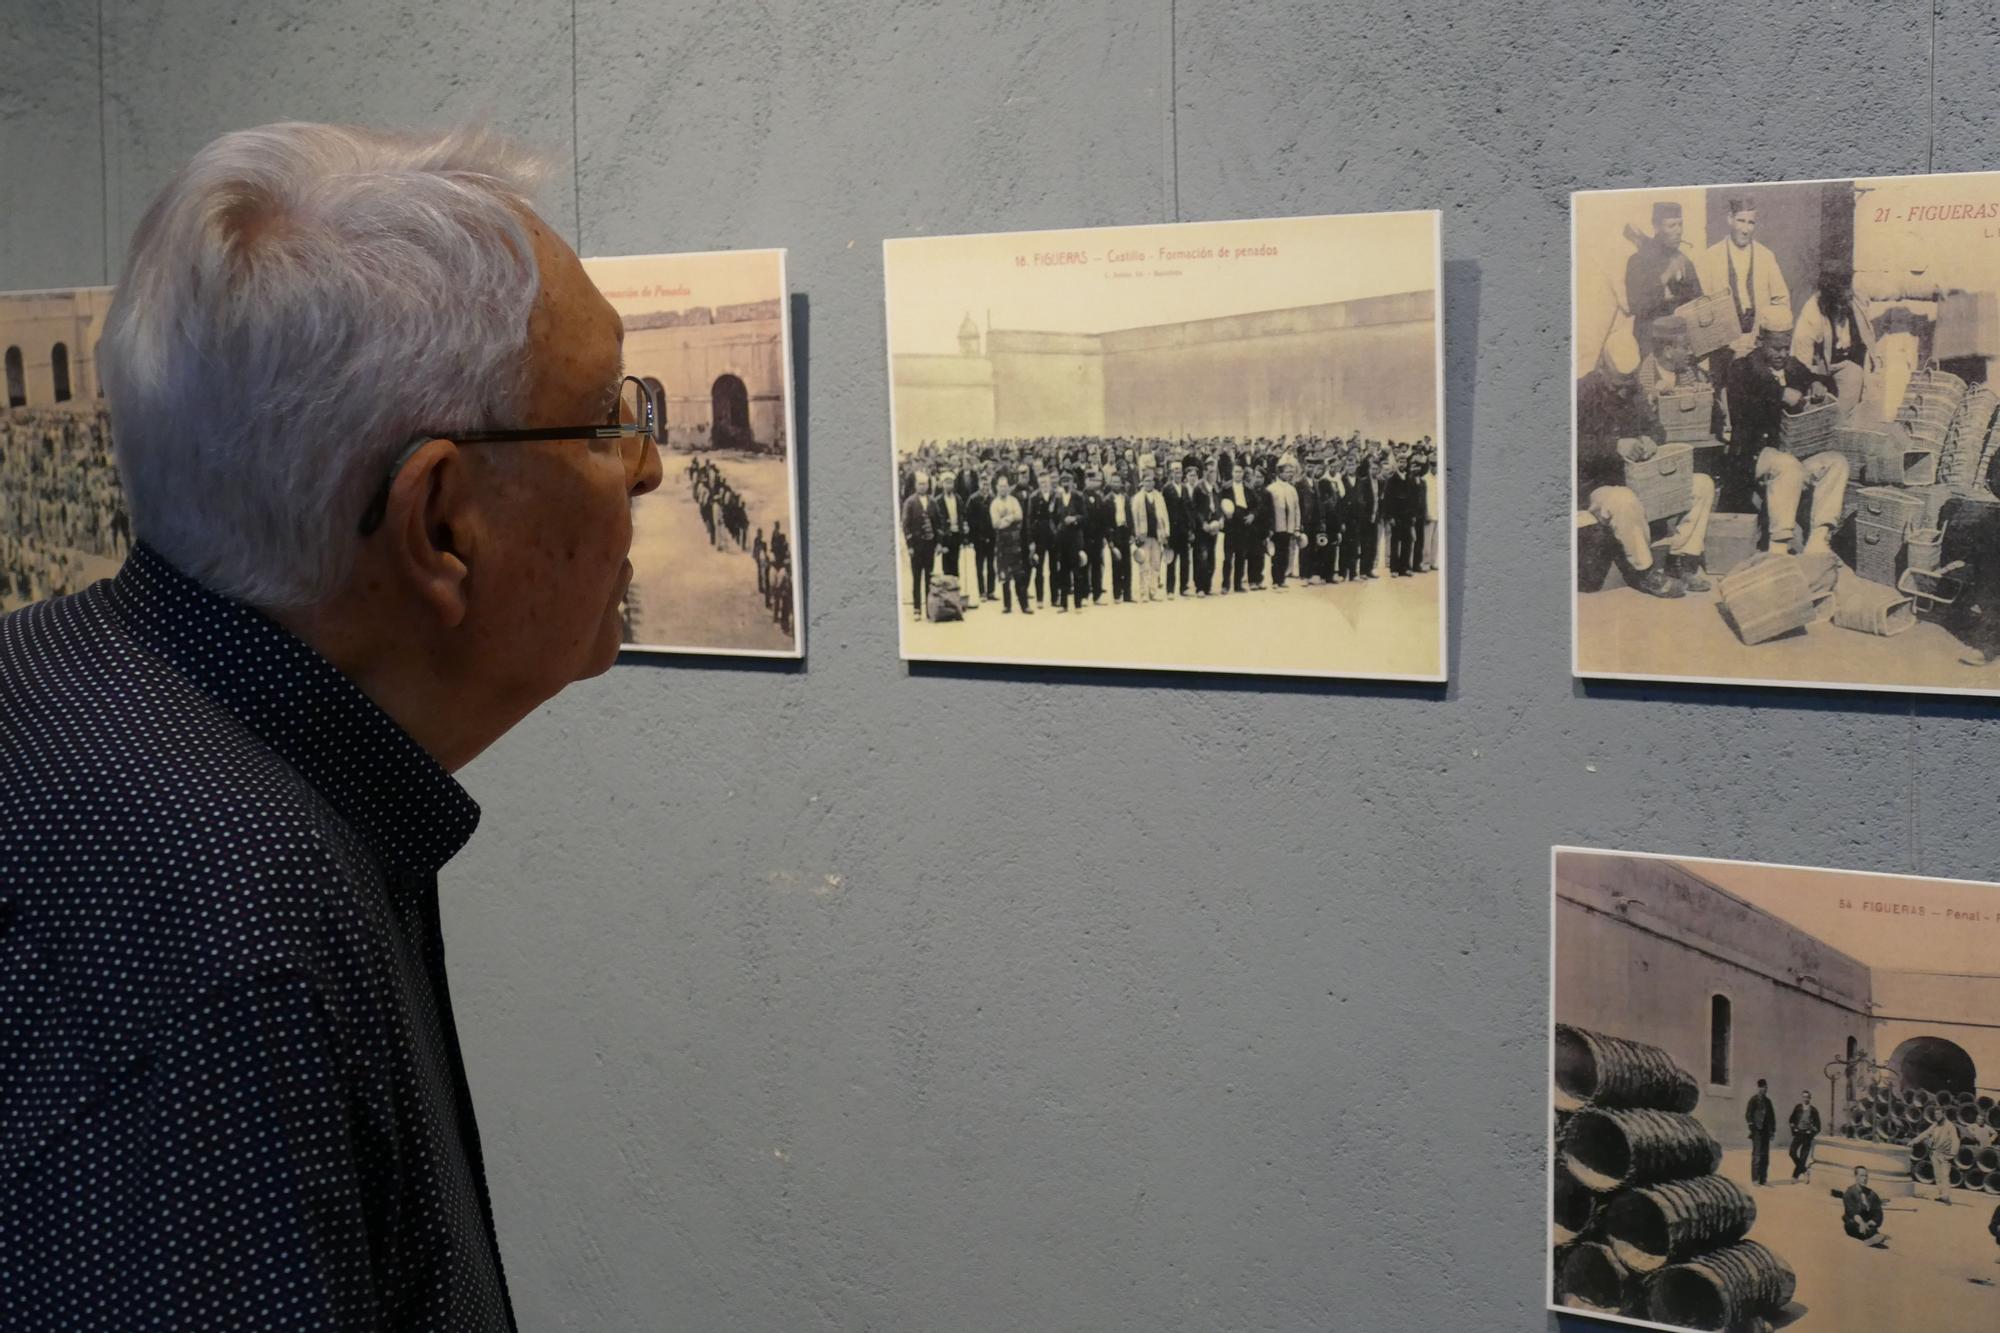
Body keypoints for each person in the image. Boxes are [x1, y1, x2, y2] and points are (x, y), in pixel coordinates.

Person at [0, 122, 666, 1330]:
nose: (648, 469)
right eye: (606, 416)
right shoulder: (242, 926)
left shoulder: (60, 681)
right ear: (443, 528)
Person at [1575, 338, 1716, 596]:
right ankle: (1646, 572)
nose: (1623, 393)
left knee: (1702, 485)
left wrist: (1652, 439)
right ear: (1601, 369)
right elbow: (1570, 445)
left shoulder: (1634, 390)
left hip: (1640, 477)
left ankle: (1682, 558)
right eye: (1617, 386)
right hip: (1597, 486)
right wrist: (1614, 446)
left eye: (1627, 386)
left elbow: (1657, 428)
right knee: (1623, 501)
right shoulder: (1581, 393)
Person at [1724, 320, 1850, 554]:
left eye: (1786, 348)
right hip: (1755, 454)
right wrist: (1779, 394)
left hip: (1794, 451)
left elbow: (1821, 380)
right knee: (1788, 467)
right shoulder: (1742, 368)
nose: (1782, 354)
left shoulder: (1793, 367)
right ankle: (1779, 545)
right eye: (1775, 348)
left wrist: (1816, 383)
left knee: (1836, 463)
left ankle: (1819, 539)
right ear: (1761, 343)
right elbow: (1743, 406)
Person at [1626, 201, 1702, 360]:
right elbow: (1637, 306)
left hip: (1680, 345)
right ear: (1656, 227)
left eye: (1680, 225)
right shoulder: (1637, 261)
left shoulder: (1684, 261)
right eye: (1671, 226)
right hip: (1650, 343)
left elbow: (1698, 302)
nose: (1679, 231)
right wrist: (1667, 274)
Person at [990, 471, 1030, 614]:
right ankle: (1007, 605)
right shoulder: (994, 504)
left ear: (1008, 487)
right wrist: (1011, 518)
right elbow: (996, 524)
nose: (1003, 489)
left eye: (1005, 486)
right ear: (996, 487)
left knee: (1020, 575)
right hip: (1002, 543)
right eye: (1000, 486)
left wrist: (1007, 519)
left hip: (1015, 542)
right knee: (1004, 576)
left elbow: (1020, 516)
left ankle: (1024, 605)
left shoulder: (1013, 500)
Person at [1131, 462, 1170, 603]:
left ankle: (1153, 591)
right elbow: (1134, 519)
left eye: (1151, 481)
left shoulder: (1159, 497)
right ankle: (1143, 593)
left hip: (1156, 535)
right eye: (1146, 481)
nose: (1149, 483)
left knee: (1155, 564)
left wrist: (1166, 533)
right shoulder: (1137, 499)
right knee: (1144, 564)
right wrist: (1136, 535)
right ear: (1142, 482)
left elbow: (1164, 516)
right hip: (1143, 536)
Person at [903, 470, 936, 618]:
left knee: (929, 577)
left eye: (925, 484)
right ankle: (917, 609)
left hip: (929, 546)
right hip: (916, 546)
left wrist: (938, 543)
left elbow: (937, 522)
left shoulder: (932, 501)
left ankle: (929, 608)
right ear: (916, 485)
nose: (923, 487)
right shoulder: (910, 502)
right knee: (916, 577)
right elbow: (906, 525)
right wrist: (909, 546)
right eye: (920, 484)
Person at [1915, 1109, 1961, 1206]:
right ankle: (1941, 1195)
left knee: (1945, 1176)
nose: (1937, 1116)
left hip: (1944, 1154)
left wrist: (1952, 1154)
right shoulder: (1935, 1124)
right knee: (1938, 1175)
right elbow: (1925, 1133)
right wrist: (1914, 1141)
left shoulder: (1950, 1126)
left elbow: (1955, 1140)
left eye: (1939, 1114)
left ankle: (1946, 1197)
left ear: (1943, 1114)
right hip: (1935, 1153)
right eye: (1936, 1114)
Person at [967, 471, 996, 602]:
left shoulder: (993, 498)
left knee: (991, 565)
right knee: (980, 565)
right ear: (979, 485)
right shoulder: (973, 499)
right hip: (978, 537)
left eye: (988, 484)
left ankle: (991, 591)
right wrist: (973, 537)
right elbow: (969, 519)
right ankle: (982, 592)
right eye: (983, 484)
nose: (986, 487)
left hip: (992, 537)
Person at [1843, 1167, 1887, 1247]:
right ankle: (1870, 1237)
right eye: (1862, 1176)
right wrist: (1862, 1223)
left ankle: (1871, 1237)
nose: (1865, 1178)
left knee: (1872, 1228)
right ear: (1856, 1176)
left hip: (1868, 1223)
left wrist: (1871, 1222)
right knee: (1852, 1225)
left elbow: (1878, 1212)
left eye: (1866, 1176)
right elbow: (1851, 1212)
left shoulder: (1872, 1194)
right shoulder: (1849, 1193)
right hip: (1854, 1222)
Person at [1745, 1078, 1777, 1186]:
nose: (1765, 1089)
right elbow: (1748, 1114)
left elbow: (1772, 1117)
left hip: (1766, 1132)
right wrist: (1752, 1127)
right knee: (1757, 1155)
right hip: (1757, 1131)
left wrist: (1772, 1131)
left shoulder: (1768, 1102)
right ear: (1759, 1088)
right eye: (1763, 1087)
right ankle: (1755, 1179)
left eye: (1766, 1087)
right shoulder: (1753, 1100)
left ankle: (1763, 1179)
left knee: (1765, 1155)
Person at [1789, 1089, 1821, 1181]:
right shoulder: (1798, 1108)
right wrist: (1793, 1128)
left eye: (1807, 1097)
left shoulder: (1813, 1110)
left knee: (1803, 1156)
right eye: (1804, 1097)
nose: (1805, 1099)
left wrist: (1811, 1132)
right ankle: (1805, 1170)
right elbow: (1791, 1120)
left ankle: (1795, 1176)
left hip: (1807, 1135)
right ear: (1802, 1097)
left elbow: (1818, 1126)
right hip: (1798, 1133)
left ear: (1810, 1098)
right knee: (1792, 1152)